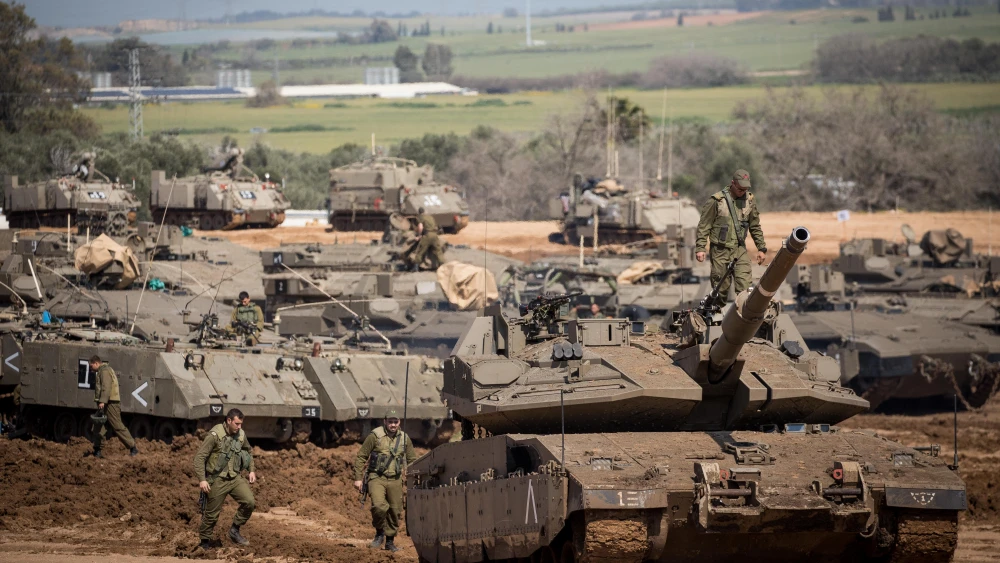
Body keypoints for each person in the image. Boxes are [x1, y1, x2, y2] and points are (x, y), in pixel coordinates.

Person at [695, 169, 767, 308]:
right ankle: (717, 313)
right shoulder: (717, 200)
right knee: (720, 290)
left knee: (745, 288)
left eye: (745, 189)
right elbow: (704, 225)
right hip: (719, 251)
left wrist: (761, 248)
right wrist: (700, 248)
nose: (742, 191)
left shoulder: (749, 201)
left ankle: (744, 313)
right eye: (740, 188)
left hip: (739, 249)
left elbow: (755, 226)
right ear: (733, 183)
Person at [353, 410, 417, 553]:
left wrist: (412, 477)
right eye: (390, 422)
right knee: (379, 506)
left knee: (395, 510)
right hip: (377, 477)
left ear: (399, 422)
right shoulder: (375, 435)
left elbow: (412, 459)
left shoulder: (404, 438)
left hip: (396, 479)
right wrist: (358, 478)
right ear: (385, 422)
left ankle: (389, 542)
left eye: (395, 422)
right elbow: (361, 456)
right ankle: (379, 533)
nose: (393, 425)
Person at [193, 408, 257, 549]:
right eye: (237, 423)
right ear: (228, 421)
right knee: (211, 515)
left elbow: (248, 451)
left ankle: (234, 530)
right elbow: (199, 458)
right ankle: (204, 542)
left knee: (249, 502)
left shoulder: (241, 434)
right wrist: (202, 479)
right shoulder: (215, 435)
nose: (239, 427)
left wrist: (251, 470)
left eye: (241, 424)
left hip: (234, 477)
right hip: (217, 479)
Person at [88, 355, 138, 458]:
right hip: (106, 403)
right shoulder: (103, 370)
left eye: (91, 366)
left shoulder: (105, 371)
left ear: (96, 363)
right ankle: (97, 450)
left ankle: (133, 447)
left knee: (117, 426)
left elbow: (106, 387)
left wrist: (102, 401)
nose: (91, 369)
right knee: (98, 426)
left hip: (110, 403)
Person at [407, 207, 445, 271]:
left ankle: (415, 267)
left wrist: (419, 235)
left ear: (419, 212)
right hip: (434, 235)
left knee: (421, 251)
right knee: (438, 251)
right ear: (424, 211)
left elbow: (420, 227)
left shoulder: (421, 217)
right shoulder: (430, 217)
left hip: (427, 235)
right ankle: (443, 266)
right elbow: (436, 226)